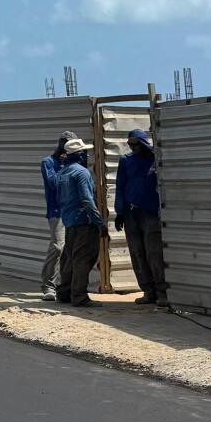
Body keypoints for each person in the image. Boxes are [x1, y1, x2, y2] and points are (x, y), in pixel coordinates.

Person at [115, 129, 167, 305]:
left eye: (135, 143)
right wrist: (119, 212)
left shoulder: (155, 159)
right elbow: (120, 186)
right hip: (131, 212)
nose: (132, 147)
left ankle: (162, 292)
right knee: (137, 252)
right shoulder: (126, 161)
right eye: (130, 144)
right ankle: (148, 290)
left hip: (150, 212)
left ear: (143, 142)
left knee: (154, 252)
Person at [55, 136, 105, 307]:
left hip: (69, 222)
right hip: (84, 222)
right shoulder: (81, 172)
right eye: (85, 152)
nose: (87, 155)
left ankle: (64, 293)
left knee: (69, 259)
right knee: (83, 259)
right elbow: (86, 199)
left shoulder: (62, 173)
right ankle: (79, 296)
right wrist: (99, 222)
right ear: (79, 155)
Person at [40, 131, 71, 300]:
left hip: (72, 210)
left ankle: (65, 286)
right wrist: (65, 166)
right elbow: (53, 184)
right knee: (57, 246)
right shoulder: (48, 162)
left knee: (69, 248)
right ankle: (48, 285)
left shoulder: (73, 161)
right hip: (57, 211)